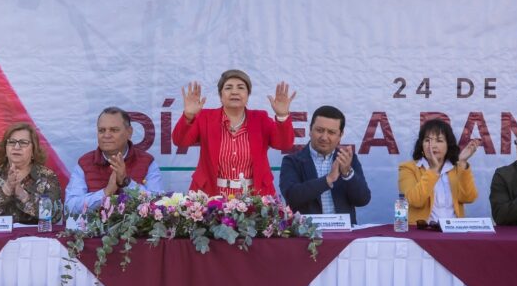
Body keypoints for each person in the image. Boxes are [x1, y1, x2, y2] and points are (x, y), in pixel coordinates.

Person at [173, 69, 295, 197]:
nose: (235, 92)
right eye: (228, 88)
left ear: (248, 95)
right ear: (220, 96)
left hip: (254, 197)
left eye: (241, 87)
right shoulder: (205, 117)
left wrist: (282, 116)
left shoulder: (261, 119)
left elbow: (284, 144)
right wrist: (189, 115)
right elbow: (180, 141)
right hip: (210, 195)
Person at [278, 105, 371, 224]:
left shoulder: (347, 160)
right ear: (310, 130)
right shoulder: (292, 161)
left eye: (331, 132)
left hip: (344, 234)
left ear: (340, 135)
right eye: (319, 130)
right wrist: (327, 180)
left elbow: (362, 200)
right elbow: (292, 197)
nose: (324, 137)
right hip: (306, 235)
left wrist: (347, 174)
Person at [64, 107, 163, 215]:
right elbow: (70, 207)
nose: (106, 135)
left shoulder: (147, 162)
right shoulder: (85, 163)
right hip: (92, 231)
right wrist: (106, 192)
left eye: (114, 130)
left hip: (137, 231)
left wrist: (126, 182)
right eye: (102, 130)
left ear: (129, 132)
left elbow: (158, 205)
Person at [0, 122, 63, 224]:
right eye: (12, 142)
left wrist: (23, 195)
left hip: (35, 238)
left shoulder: (47, 176)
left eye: (24, 142)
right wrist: (6, 189)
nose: (16, 147)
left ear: (33, 151)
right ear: (5, 149)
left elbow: (55, 215)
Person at [397, 118, 480, 224]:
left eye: (439, 140)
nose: (432, 145)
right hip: (423, 232)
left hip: (454, 230)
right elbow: (415, 201)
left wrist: (462, 163)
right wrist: (433, 170)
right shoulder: (408, 168)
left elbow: (469, 198)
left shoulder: (457, 168)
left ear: (448, 145)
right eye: (427, 140)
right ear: (421, 145)